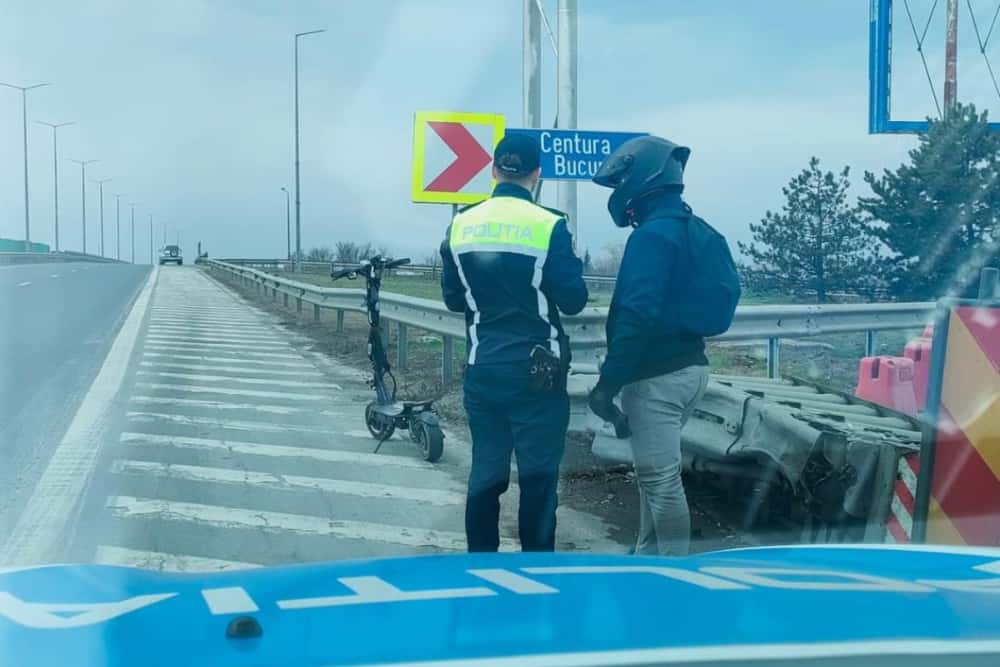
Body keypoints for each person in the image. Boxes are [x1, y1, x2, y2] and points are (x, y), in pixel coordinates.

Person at [588, 135, 739, 556]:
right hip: (692, 369)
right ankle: (645, 558)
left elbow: (636, 317)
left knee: (661, 481)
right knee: (655, 476)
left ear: (641, 179)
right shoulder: (700, 230)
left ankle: (673, 574)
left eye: (621, 183)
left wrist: (606, 385)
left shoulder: (652, 237)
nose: (619, 194)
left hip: (656, 377)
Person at [440, 133, 588, 552]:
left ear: (493, 170)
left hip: (483, 366)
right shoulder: (549, 226)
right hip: (537, 373)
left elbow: (454, 298)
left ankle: (480, 565)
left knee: (486, 473)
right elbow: (574, 301)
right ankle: (535, 573)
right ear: (536, 174)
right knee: (539, 479)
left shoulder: (461, 224)